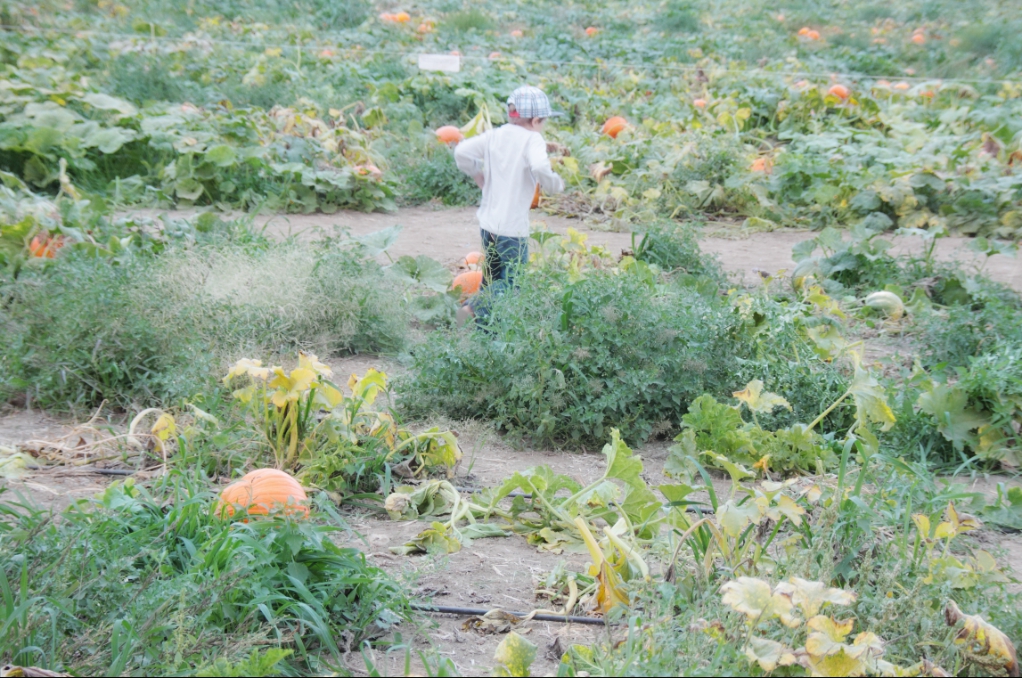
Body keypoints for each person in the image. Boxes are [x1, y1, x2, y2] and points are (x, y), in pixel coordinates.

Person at [453, 85, 566, 325]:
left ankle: (485, 332)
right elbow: (539, 167)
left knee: (493, 280)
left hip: (488, 227)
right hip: (512, 231)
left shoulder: (495, 135)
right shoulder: (533, 139)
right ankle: (470, 310)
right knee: (512, 285)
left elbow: (461, 151)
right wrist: (554, 185)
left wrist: (478, 175)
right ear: (536, 120)